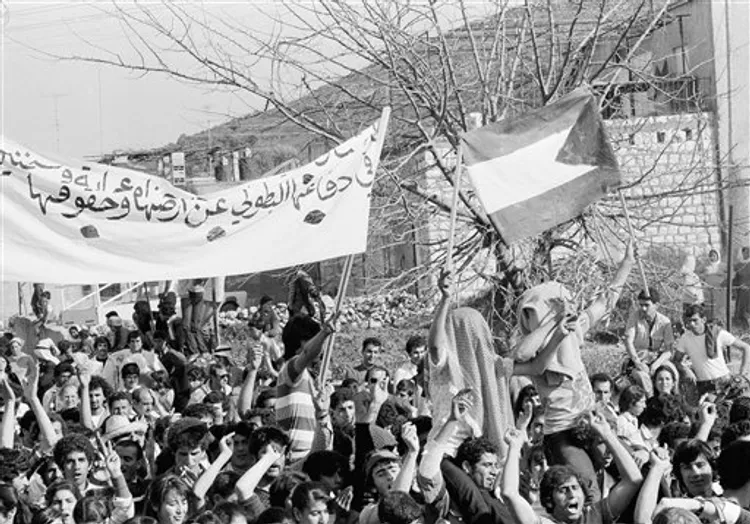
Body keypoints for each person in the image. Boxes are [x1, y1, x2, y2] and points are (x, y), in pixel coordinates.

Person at [502, 410, 643, 524]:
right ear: (549, 500)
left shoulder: (595, 516)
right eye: (563, 490)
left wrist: (606, 434)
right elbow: (509, 494)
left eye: (575, 488)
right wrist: (514, 447)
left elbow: (633, 480)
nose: (571, 494)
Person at [674, 304, 750, 395]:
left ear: (704, 320)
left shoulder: (717, 333)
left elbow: (745, 347)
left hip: (725, 382)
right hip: (703, 385)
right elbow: (676, 360)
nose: (692, 324)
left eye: (695, 320)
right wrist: (686, 370)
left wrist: (742, 373)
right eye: (689, 321)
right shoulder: (685, 338)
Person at [624, 287, 675, 397]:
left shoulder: (665, 322)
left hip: (657, 358)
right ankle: (651, 402)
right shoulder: (634, 318)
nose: (643, 308)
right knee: (643, 377)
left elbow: (669, 350)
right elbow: (628, 341)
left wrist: (656, 365)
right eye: (641, 305)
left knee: (672, 372)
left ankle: (673, 401)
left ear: (656, 305)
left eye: (647, 305)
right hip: (638, 359)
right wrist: (638, 362)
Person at [703, 249, 726, 323]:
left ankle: (720, 320)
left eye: (714, 256)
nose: (712, 257)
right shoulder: (706, 266)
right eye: (710, 256)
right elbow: (698, 274)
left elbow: (730, 274)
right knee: (710, 304)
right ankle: (710, 319)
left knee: (719, 304)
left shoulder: (723, 266)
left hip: (719, 288)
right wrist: (705, 275)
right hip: (708, 288)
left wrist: (720, 274)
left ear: (718, 256)